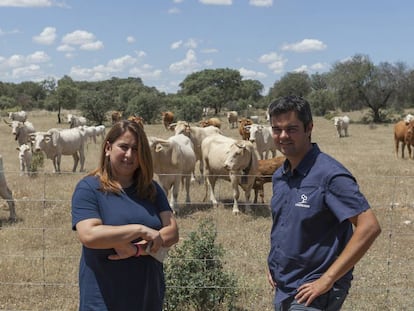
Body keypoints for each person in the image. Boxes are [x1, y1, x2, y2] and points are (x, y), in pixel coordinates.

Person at [266, 95, 381, 311]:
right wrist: (274, 263)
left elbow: (370, 226)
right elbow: (286, 225)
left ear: (309, 128)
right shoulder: (281, 176)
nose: (283, 136)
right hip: (284, 284)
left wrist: (327, 279)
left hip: (312, 290)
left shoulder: (329, 175)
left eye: (291, 129)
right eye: (276, 129)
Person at [71, 120, 179, 311]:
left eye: (136, 149)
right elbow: (89, 235)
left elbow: (172, 233)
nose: (130, 155)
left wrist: (138, 249)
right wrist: (140, 230)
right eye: (124, 147)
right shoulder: (89, 188)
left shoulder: (151, 189)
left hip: (148, 294)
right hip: (104, 298)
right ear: (108, 148)